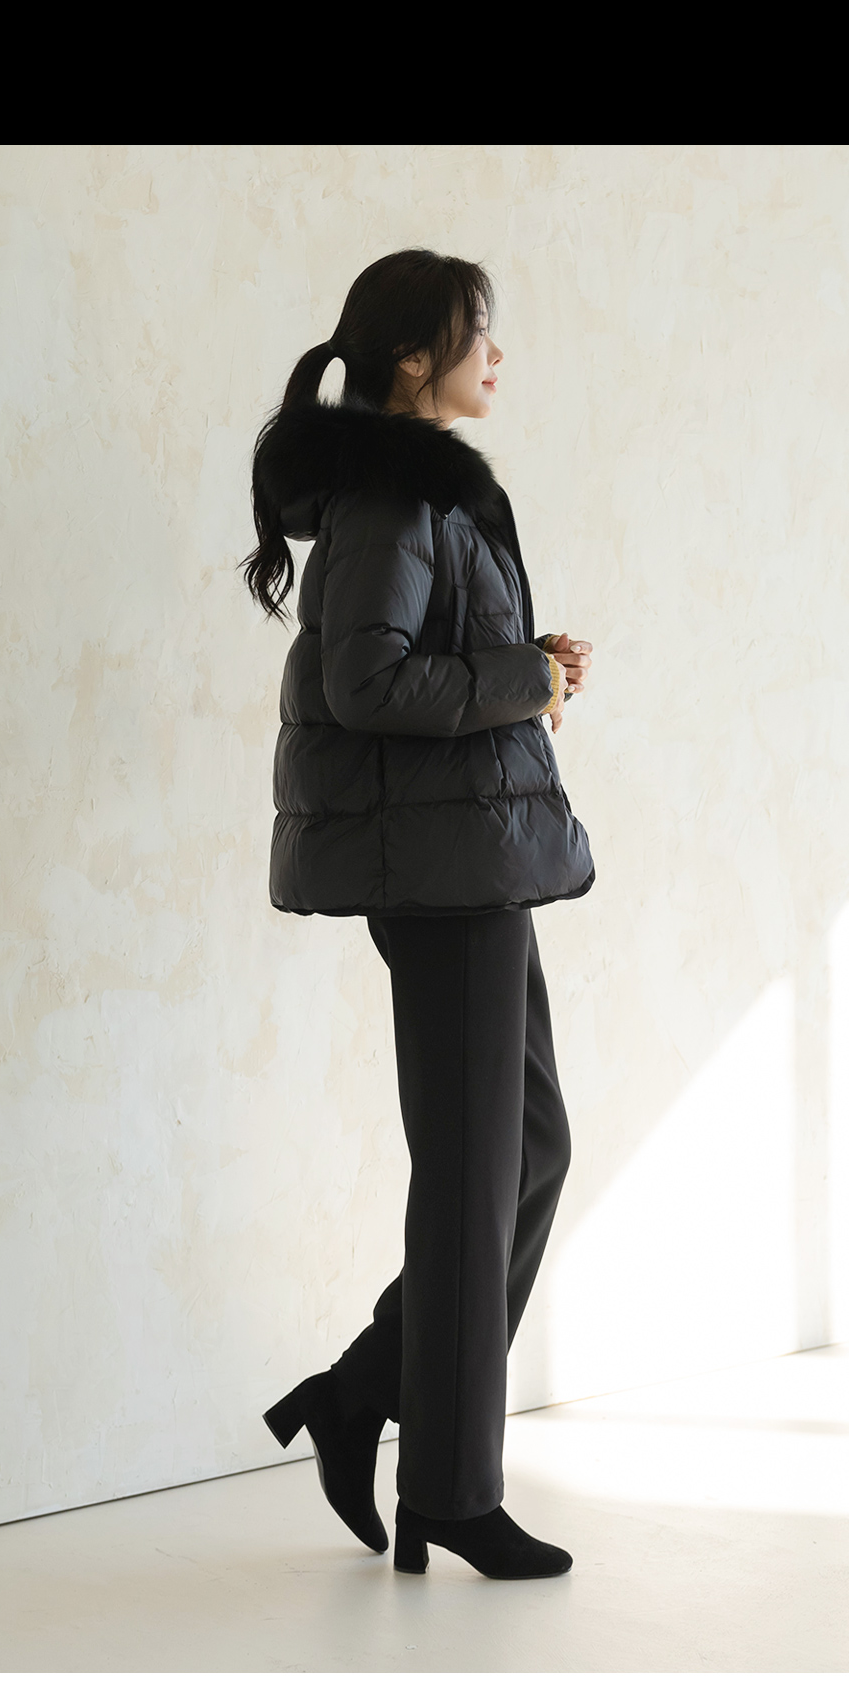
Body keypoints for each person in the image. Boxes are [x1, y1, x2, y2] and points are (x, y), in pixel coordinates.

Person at [246, 246, 594, 1579]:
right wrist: (519, 680)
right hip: (443, 876)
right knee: (472, 1179)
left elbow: (418, 664)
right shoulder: (396, 496)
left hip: (472, 860)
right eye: (473, 333)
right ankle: (448, 1488)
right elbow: (368, 686)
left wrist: (524, 669)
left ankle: (359, 1395)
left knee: (529, 1151)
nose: (494, 354)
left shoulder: (423, 493)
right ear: (411, 359)